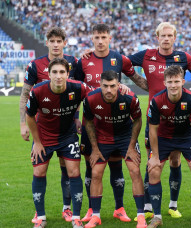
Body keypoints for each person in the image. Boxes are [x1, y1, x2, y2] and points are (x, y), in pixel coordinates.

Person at [127, 22, 191, 219]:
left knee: (175, 161)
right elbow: (123, 63)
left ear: (175, 37)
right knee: (152, 163)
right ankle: (146, 208)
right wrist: (140, 83)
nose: (167, 38)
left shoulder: (183, 57)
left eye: (170, 35)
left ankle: (173, 205)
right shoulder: (146, 55)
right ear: (157, 36)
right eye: (163, 35)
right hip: (156, 118)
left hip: (180, 122)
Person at [74, 24, 143, 223]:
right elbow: (76, 89)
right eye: (97, 37)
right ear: (92, 38)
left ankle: (119, 208)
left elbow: (135, 77)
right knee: (91, 165)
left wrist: (154, 90)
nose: (101, 40)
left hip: (118, 120)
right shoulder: (84, 60)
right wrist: (76, 117)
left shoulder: (119, 58)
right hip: (92, 122)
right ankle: (91, 210)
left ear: (110, 38)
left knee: (116, 166)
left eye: (104, 37)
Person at [20, 27, 78, 224]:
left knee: (67, 168)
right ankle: (39, 213)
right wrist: (23, 123)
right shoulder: (35, 65)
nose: (55, 44)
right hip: (42, 126)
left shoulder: (74, 62)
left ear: (64, 43)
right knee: (39, 170)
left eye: (58, 41)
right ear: (47, 43)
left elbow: (79, 90)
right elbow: (25, 94)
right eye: (51, 41)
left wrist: (77, 116)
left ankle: (67, 209)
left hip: (67, 126)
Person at [26, 58, 92, 228]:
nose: (58, 76)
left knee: (74, 172)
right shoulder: (37, 91)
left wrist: (121, 88)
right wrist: (37, 143)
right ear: (48, 74)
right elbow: (29, 116)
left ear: (68, 74)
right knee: (39, 172)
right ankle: (40, 217)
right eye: (54, 72)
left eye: (62, 72)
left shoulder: (78, 87)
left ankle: (75, 217)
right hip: (44, 137)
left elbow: (95, 96)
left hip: (67, 136)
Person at [82, 70, 146, 228]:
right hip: (103, 137)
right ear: (100, 85)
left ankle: (141, 216)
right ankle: (96, 216)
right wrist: (95, 148)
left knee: (135, 170)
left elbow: (138, 120)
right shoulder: (90, 99)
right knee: (96, 173)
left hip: (125, 138)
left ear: (118, 85)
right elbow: (88, 123)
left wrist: (131, 146)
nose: (109, 90)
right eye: (105, 86)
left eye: (112, 86)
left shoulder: (130, 98)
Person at [146, 65, 191, 228]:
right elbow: (152, 129)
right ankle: (156, 217)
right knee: (154, 169)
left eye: (176, 81)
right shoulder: (157, 100)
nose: (173, 85)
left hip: (186, 138)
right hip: (163, 138)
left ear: (183, 82)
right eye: (170, 82)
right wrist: (155, 156)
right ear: (164, 82)